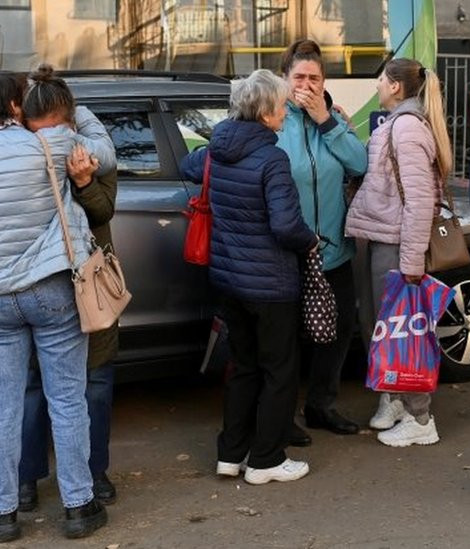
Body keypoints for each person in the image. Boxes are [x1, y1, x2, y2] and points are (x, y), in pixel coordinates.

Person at [0, 70, 106, 542]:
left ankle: (2, 513)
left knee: (1, 407)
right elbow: (103, 153)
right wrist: (73, 106)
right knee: (68, 399)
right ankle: (79, 507)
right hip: (50, 290)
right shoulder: (47, 145)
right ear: (15, 106)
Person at [180, 69, 319, 485]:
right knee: (279, 371)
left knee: (243, 368)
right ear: (264, 112)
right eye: (281, 106)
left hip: (229, 280)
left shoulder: (218, 148)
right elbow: (285, 225)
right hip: (271, 284)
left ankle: (231, 454)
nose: (285, 112)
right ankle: (266, 460)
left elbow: (190, 167)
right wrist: (310, 239)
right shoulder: (272, 158)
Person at [17, 65, 120, 512]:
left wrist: (83, 183)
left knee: (95, 383)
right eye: (40, 132)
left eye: (57, 131)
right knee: (34, 386)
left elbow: (103, 213)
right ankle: (27, 478)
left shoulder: (91, 154)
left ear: (69, 122)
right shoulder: (18, 156)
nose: (51, 142)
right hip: (40, 286)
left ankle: (95, 473)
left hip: (89, 283)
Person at [345, 57, 452, 448]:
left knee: (402, 332)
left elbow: (420, 201)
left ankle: (421, 419)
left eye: (379, 78)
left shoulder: (406, 128)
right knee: (384, 328)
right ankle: (393, 400)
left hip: (396, 245)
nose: (375, 84)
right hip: (385, 239)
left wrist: (410, 263)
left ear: (394, 86)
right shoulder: (399, 123)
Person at [276, 39, 368, 442]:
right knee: (289, 338)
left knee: (338, 330)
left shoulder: (333, 119)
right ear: (285, 79)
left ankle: (321, 405)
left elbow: (360, 162)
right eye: (300, 77)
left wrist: (326, 120)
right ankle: (283, 416)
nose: (308, 85)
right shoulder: (274, 118)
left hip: (333, 251)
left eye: (315, 77)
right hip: (289, 252)